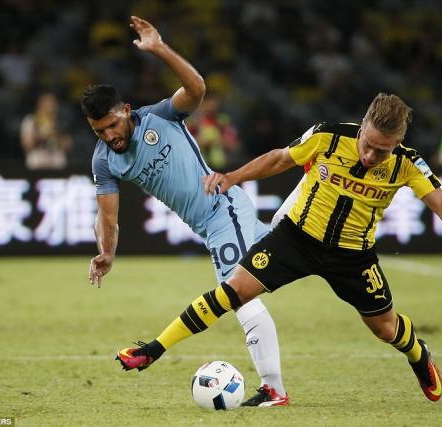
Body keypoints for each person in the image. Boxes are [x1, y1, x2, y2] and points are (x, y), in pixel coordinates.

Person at [119, 93, 442, 403]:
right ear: (362, 126)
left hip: (352, 256)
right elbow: (279, 159)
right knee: (232, 293)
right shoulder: (328, 136)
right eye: (368, 145)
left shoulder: (406, 163)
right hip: (296, 238)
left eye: (383, 151)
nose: (371, 157)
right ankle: (153, 349)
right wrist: (232, 177)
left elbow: (440, 200)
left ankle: (418, 354)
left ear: (397, 145)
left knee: (385, 328)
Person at [82, 16, 288, 407]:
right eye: (99, 131)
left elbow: (197, 88)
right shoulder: (105, 162)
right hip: (210, 226)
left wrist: (159, 48)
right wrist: (107, 252)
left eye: (112, 124)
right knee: (265, 271)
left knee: (237, 295)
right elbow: (107, 216)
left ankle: (274, 389)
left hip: (223, 209)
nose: (109, 136)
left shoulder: (160, 116)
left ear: (126, 110)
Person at [20, 92, 72, 170]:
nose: (51, 107)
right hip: (37, 164)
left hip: (57, 165)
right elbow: (27, 144)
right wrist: (42, 135)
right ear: (40, 105)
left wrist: (57, 135)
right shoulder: (31, 120)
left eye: (53, 104)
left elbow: (68, 145)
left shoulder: (59, 121)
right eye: (47, 104)